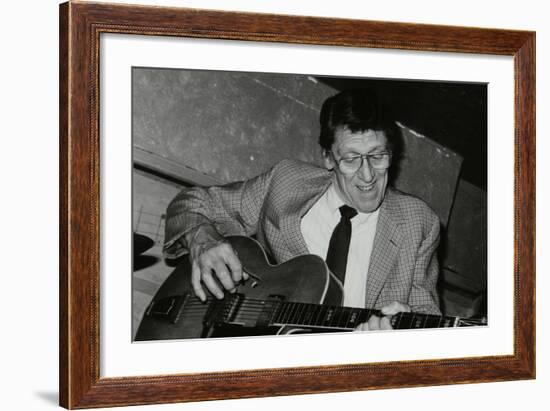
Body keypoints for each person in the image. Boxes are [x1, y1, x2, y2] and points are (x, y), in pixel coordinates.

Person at [163, 89, 441, 331]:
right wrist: (202, 240)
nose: (367, 175)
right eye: (351, 159)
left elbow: (426, 319)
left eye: (378, 156)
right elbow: (190, 203)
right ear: (328, 158)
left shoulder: (418, 223)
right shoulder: (285, 183)